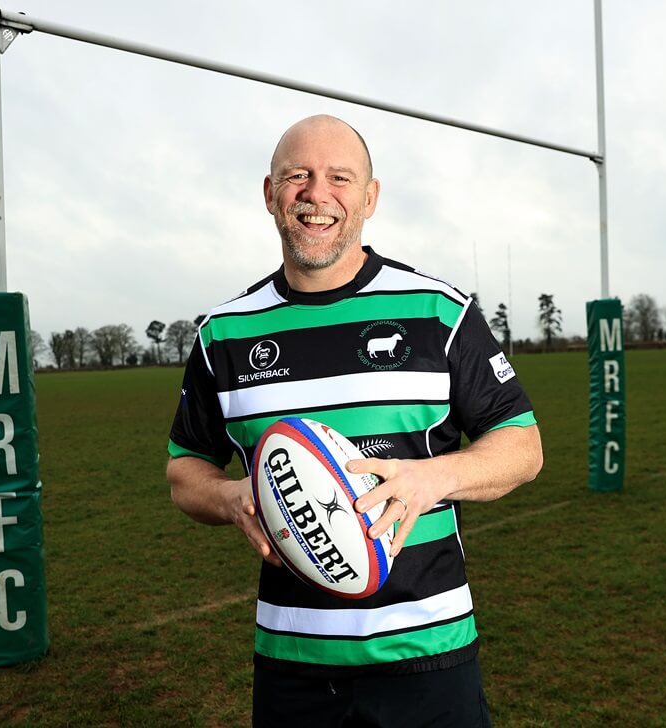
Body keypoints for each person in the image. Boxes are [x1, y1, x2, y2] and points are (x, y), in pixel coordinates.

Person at [166, 114, 542, 727]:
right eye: (298, 177)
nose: (317, 195)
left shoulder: (437, 312)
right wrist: (231, 495)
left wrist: (432, 478)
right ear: (270, 194)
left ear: (369, 197)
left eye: (340, 177)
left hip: (428, 652)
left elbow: (522, 446)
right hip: (293, 665)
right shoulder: (225, 335)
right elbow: (184, 470)